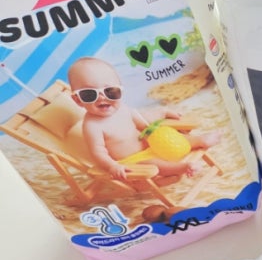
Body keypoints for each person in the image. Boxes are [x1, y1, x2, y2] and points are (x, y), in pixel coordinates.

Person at [67, 57, 219, 180]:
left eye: (110, 91)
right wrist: (112, 166)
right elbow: (98, 153)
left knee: (171, 136)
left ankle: (199, 141)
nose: (102, 98)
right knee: (154, 164)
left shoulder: (123, 108)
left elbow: (143, 122)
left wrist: (162, 115)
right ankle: (183, 167)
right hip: (133, 160)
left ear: (121, 90)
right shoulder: (92, 126)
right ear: (77, 100)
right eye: (89, 94)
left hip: (148, 144)